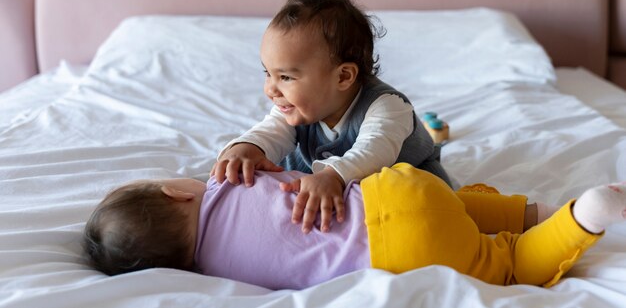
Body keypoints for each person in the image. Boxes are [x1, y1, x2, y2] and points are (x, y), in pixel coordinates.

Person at [212, 0, 500, 234]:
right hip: (324, 181)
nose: (271, 90)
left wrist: (334, 176)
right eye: (268, 73)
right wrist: (247, 147)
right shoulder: (295, 109)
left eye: (286, 77)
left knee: (430, 208)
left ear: (343, 77)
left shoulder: (387, 107)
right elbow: (271, 131)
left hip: (395, 179)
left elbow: (373, 151)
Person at [83, 163, 626, 290]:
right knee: (454, 203)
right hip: (394, 188)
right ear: (178, 191)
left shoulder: (215, 272)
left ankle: (585, 218)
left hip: (402, 257)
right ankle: (534, 210)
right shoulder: (233, 176)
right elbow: (289, 171)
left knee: (508, 264)